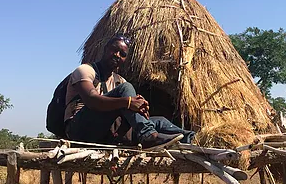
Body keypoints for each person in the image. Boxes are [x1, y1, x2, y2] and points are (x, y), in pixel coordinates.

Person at [64, 34, 194, 149]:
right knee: (126, 89)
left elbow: (128, 104)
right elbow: (91, 100)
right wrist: (128, 102)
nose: (117, 55)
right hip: (80, 130)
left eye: (122, 54)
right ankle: (148, 135)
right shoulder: (85, 70)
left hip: (105, 131)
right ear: (105, 49)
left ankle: (191, 139)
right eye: (114, 50)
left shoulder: (119, 80)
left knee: (159, 121)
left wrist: (140, 108)